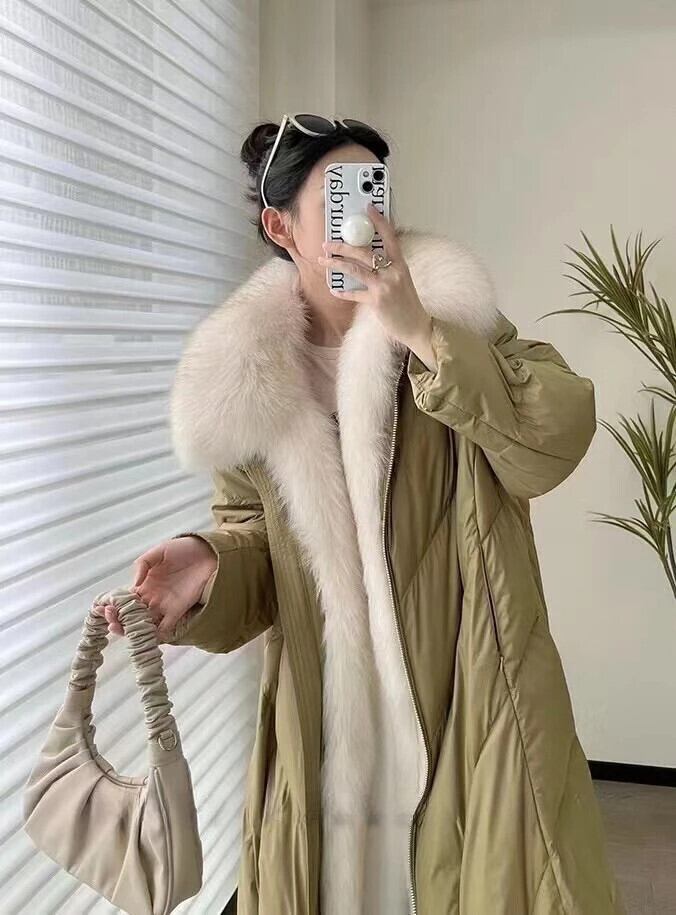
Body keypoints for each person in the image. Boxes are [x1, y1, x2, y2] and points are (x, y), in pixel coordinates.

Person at [99, 115, 626, 915]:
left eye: (375, 189)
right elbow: (262, 551)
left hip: (470, 700)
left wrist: (425, 334)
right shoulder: (250, 384)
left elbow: (554, 437)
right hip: (329, 724)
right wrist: (209, 560)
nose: (369, 215)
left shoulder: (456, 322)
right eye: (342, 195)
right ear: (280, 227)